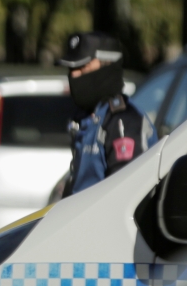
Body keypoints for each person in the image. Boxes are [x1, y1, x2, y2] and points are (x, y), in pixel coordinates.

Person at [57, 32, 157, 197]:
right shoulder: (86, 118)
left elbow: (125, 195)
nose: (74, 76)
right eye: (71, 69)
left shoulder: (122, 122)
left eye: (83, 68)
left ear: (107, 65)